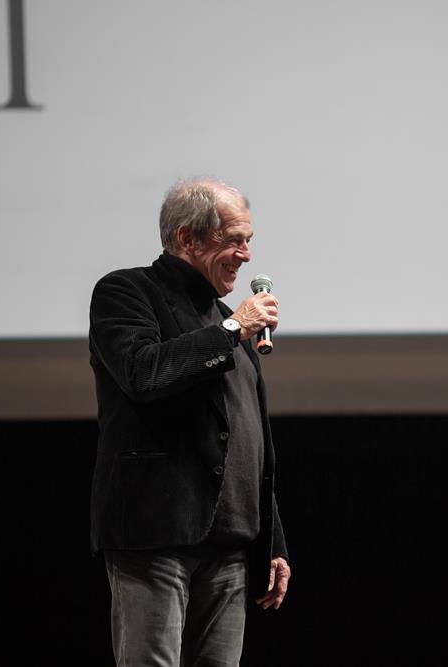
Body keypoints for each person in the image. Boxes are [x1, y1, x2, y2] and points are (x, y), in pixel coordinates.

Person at [89, 177, 290, 665]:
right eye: (234, 240)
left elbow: (248, 437)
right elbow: (143, 373)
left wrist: (273, 539)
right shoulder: (127, 292)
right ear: (187, 238)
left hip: (232, 549)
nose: (246, 255)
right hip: (156, 535)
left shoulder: (227, 319)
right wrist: (232, 328)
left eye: (249, 241)